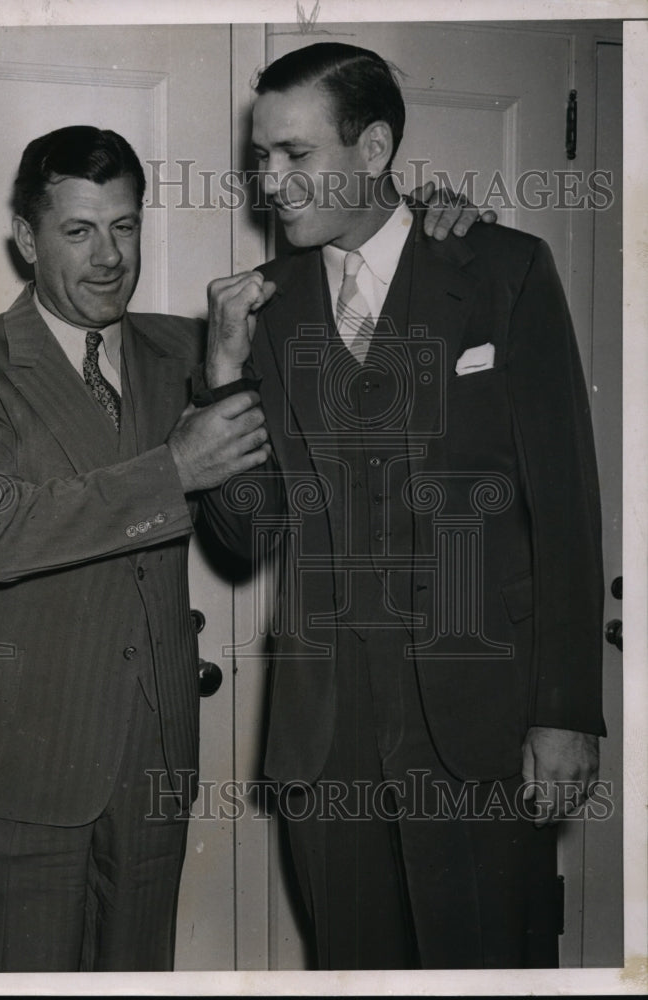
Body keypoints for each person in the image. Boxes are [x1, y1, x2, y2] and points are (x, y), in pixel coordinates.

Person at [0, 123, 472, 972]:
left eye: (125, 226)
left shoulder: (190, 349)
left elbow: (254, 526)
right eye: (78, 230)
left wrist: (418, 232)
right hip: (11, 767)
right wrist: (173, 467)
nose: (108, 257)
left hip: (151, 769)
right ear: (26, 239)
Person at [200, 43, 605, 970]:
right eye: (263, 157)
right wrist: (221, 375)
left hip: (483, 726)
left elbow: (567, 510)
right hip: (327, 737)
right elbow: (245, 535)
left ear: (373, 147)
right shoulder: (264, 310)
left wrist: (567, 710)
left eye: (294, 156)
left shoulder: (502, 270)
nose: (272, 183)